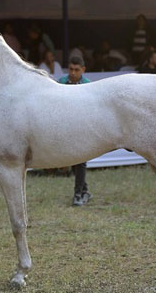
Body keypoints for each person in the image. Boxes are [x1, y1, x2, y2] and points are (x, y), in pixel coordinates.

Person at [58, 57, 93, 206]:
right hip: (65, 127)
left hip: (82, 128)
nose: (73, 72)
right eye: (71, 69)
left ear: (83, 70)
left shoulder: (89, 85)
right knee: (74, 160)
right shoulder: (60, 82)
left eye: (76, 70)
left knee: (80, 161)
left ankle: (78, 194)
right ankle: (85, 191)